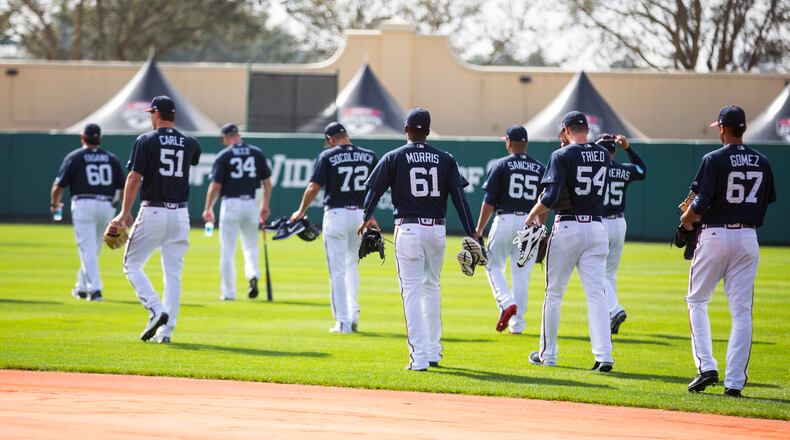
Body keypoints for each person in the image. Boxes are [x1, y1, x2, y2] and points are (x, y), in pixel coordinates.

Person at [358, 108, 478, 371]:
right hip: (437, 231)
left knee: (411, 292)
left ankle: (419, 358)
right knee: (432, 288)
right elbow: (460, 199)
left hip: (409, 229)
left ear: (406, 129)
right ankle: (434, 352)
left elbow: (374, 192)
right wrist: (472, 232)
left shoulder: (394, 157)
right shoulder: (445, 158)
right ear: (428, 129)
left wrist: (365, 218)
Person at [681, 105, 776, 397]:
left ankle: (706, 366)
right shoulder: (763, 161)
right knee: (742, 313)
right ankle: (734, 383)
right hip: (748, 236)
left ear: (722, 128)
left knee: (697, 300)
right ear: (743, 128)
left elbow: (698, 204)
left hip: (714, 234)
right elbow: (764, 203)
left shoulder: (714, 158)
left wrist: (685, 222)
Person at [525, 111, 614, 372]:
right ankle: (604, 356)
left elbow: (552, 196)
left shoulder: (561, 155)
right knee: (597, 294)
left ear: (565, 130)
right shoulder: (603, 154)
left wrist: (531, 214)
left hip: (568, 227)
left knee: (553, 293)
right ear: (586, 128)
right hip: (597, 228)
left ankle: (548, 355)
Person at [110, 95, 201, 343]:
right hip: (181, 215)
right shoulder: (190, 142)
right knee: (172, 274)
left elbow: (134, 178)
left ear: (157, 114)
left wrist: (124, 212)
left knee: (131, 265)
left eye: (151, 113)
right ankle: (166, 331)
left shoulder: (146, 140)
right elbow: (191, 157)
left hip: (153, 211)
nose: (151, 116)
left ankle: (155, 310)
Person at [290, 122, 378, 333]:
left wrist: (301, 211)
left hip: (337, 214)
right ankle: (353, 313)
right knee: (352, 266)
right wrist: (370, 214)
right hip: (360, 215)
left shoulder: (327, 156)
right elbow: (378, 186)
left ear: (330, 139)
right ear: (346, 134)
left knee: (337, 271)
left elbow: (313, 186)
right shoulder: (369, 155)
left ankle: (343, 322)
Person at [474, 125, 546, 334]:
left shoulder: (500, 165)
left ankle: (506, 303)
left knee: (493, 266)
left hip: (506, 218)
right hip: (532, 221)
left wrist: (478, 230)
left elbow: (489, 203)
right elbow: (545, 202)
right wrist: (541, 227)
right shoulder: (540, 167)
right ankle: (517, 325)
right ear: (526, 143)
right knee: (521, 275)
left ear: (509, 142)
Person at [50, 123, 124, 302]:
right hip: (107, 206)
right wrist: (122, 211)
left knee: (87, 250)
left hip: (84, 204)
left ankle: (95, 290)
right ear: (99, 139)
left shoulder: (75, 157)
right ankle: (81, 288)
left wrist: (55, 204)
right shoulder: (110, 158)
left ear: (82, 137)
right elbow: (122, 188)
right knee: (93, 250)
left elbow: (58, 186)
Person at [203, 124, 272, 301]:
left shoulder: (224, 155)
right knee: (250, 246)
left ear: (226, 137)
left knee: (228, 250)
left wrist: (208, 208)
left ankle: (228, 292)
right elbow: (267, 183)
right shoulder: (256, 152)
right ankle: (252, 276)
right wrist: (265, 205)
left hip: (231, 204)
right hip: (252, 204)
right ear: (238, 135)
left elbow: (215, 186)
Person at [595, 133, 647, 334]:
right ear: (614, 150)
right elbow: (642, 170)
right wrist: (628, 148)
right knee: (610, 273)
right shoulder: (624, 169)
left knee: (597, 272)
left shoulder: (596, 169)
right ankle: (611, 317)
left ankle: (614, 309)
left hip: (601, 224)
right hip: (619, 223)